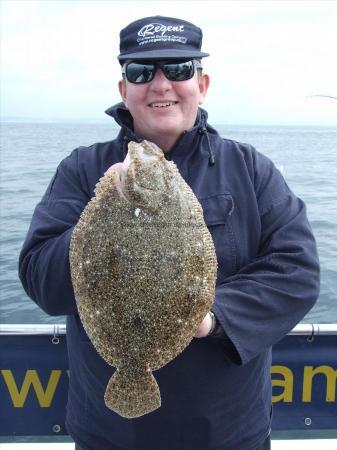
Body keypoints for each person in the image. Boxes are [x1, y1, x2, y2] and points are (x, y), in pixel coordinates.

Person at [19, 15, 320, 450]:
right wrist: (103, 213)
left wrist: (209, 319)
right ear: (124, 89)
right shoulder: (83, 170)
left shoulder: (249, 169)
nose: (161, 85)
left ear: (202, 83)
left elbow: (297, 273)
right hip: (110, 434)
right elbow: (39, 281)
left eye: (178, 69)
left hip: (229, 432)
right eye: (142, 72)